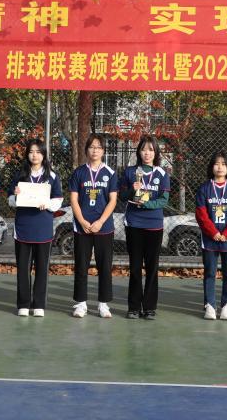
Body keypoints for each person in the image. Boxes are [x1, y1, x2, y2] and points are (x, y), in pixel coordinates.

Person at [8, 139, 63, 317]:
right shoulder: (20, 175)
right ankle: (23, 304)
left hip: (43, 228)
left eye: (38, 152)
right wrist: (15, 196)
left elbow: (58, 200)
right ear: (27, 154)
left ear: (44, 155)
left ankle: (39, 304)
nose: (34, 155)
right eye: (31, 152)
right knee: (23, 269)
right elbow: (10, 200)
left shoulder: (52, 176)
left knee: (41, 269)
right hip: (23, 228)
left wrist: (47, 204)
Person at [118, 135, 170, 320]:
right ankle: (133, 307)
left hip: (154, 226)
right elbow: (122, 197)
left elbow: (163, 200)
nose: (147, 153)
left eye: (151, 150)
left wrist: (146, 204)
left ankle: (149, 307)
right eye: (143, 149)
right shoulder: (130, 172)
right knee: (134, 267)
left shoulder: (162, 173)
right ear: (138, 151)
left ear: (156, 153)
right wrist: (132, 189)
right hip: (134, 224)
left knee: (152, 268)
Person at [68, 134, 119, 319]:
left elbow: (113, 200)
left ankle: (103, 304)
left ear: (103, 151)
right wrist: (82, 221)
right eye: (91, 147)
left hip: (103, 227)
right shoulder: (79, 172)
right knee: (81, 265)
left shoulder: (110, 173)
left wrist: (100, 222)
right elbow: (73, 199)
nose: (95, 150)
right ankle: (81, 303)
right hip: (82, 227)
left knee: (104, 266)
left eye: (98, 147)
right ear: (86, 150)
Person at [194, 151, 227, 321]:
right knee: (210, 272)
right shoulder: (204, 189)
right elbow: (201, 214)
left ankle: (226, 306)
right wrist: (214, 232)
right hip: (210, 239)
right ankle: (210, 305)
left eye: (223, 164)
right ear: (211, 167)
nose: (220, 167)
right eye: (216, 163)